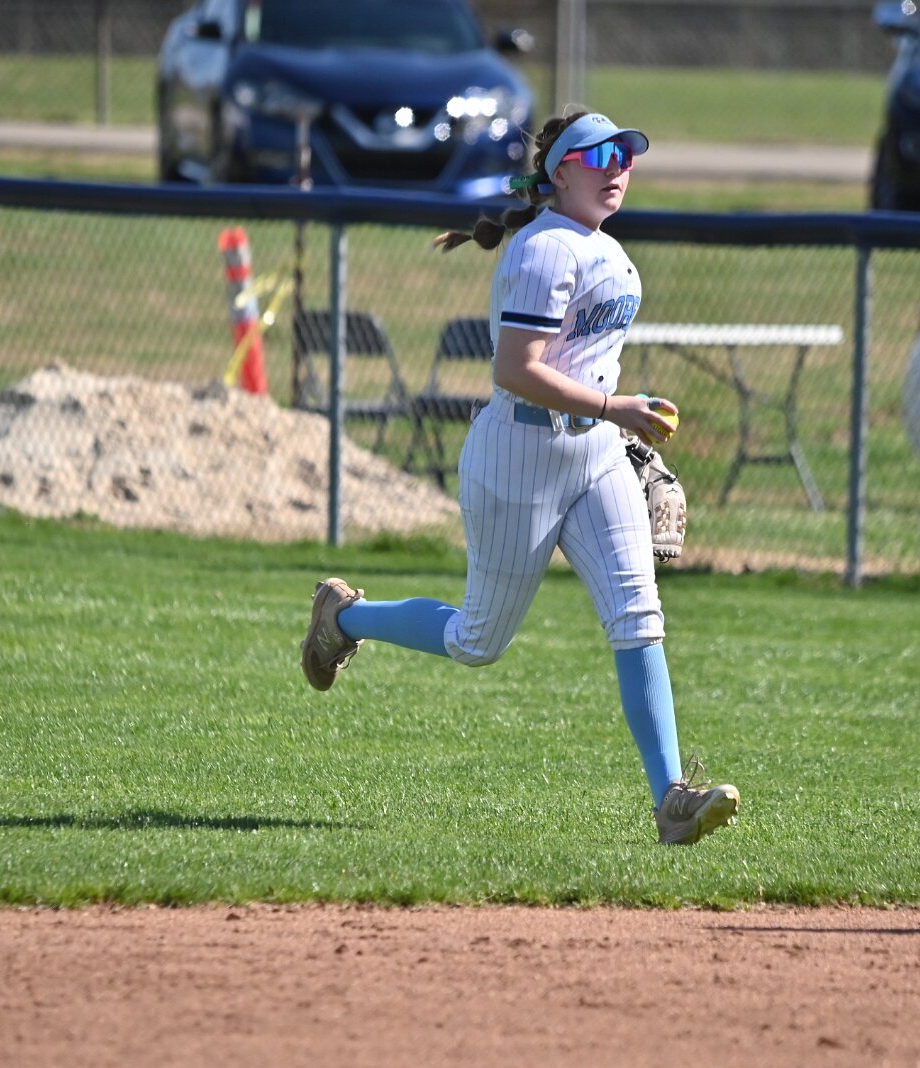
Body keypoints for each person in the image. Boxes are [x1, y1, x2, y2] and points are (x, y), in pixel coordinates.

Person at [299, 109, 739, 845]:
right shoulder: (543, 250)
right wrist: (616, 408)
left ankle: (672, 800)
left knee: (639, 616)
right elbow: (515, 369)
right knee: (476, 640)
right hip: (519, 459)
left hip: (596, 457)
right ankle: (341, 618)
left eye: (627, 155)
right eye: (600, 156)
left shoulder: (609, 251)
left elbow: (587, 365)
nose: (618, 168)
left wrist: (618, 425)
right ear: (560, 171)